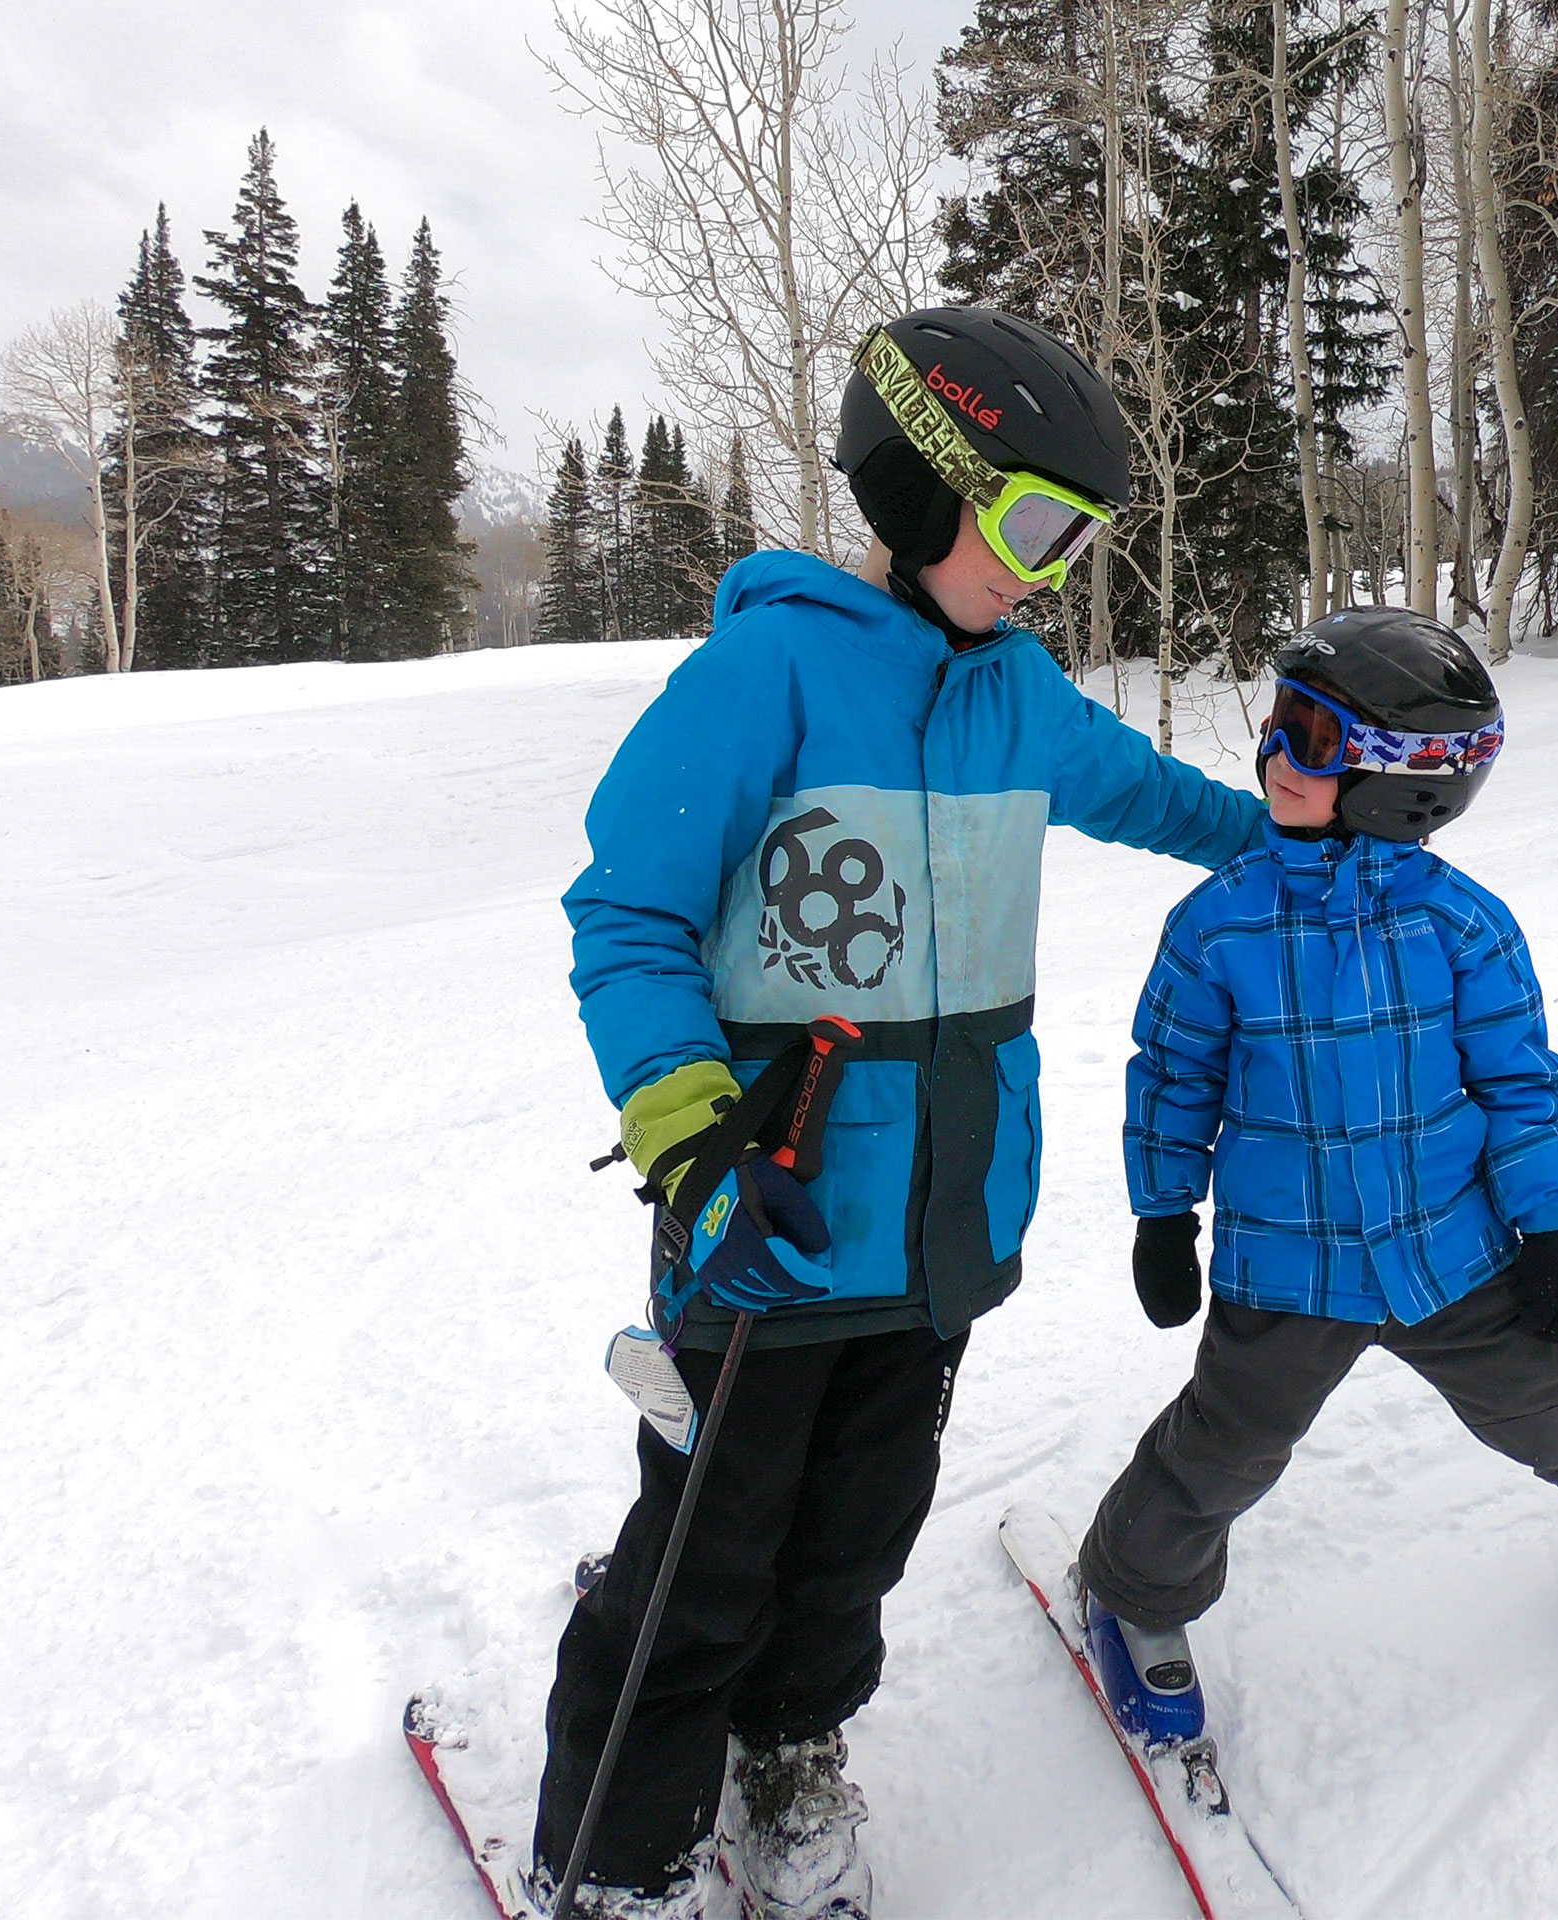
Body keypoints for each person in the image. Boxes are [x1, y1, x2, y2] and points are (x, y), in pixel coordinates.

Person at [534, 307, 1265, 1919]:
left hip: (941, 1229)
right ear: (928, 491)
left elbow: (1158, 800)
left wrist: (1301, 843)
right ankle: (620, 1852)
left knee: (860, 1530)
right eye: (1033, 528)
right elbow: (628, 915)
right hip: (766, 1219)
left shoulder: (1017, 697)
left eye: (1075, 540)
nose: (1052, 571)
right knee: (703, 1565)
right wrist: (693, 1135)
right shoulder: (769, 671)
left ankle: (794, 1752)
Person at [1070, 606, 1558, 1757]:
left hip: (1452, 1251)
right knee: (1223, 1449)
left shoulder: (1462, 925)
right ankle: (1130, 1587)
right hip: (1287, 1264)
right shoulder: (1219, 925)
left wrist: (1553, 1225)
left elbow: (1521, 1087)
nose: (1273, 756)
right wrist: (1162, 1212)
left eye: (1311, 739)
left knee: (1555, 1402)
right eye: (1278, 726)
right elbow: (1171, 1073)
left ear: (1397, 779)